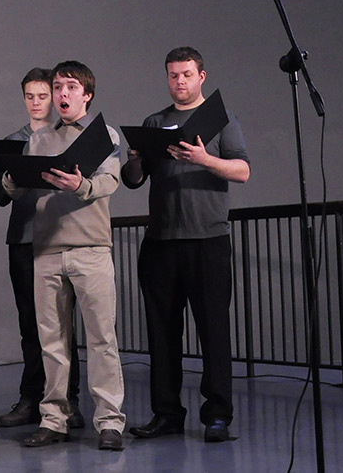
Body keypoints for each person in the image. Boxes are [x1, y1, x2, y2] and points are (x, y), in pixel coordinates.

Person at [121, 46, 250, 443]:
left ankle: (217, 417)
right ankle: (167, 414)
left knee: (213, 332)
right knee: (162, 333)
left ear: (201, 76)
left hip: (208, 240)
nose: (180, 81)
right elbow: (132, 180)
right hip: (161, 241)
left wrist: (203, 158)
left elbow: (242, 171)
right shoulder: (155, 121)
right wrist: (137, 158)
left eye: (187, 74)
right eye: (173, 75)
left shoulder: (221, 119)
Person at [3, 61, 126, 451]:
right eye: (58, 87)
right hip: (47, 252)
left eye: (70, 87)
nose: (62, 94)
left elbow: (110, 180)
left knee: (102, 339)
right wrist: (9, 177)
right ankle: (53, 418)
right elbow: (18, 189)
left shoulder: (102, 133)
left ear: (86, 94)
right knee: (51, 341)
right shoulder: (38, 139)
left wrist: (81, 185)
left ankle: (109, 421)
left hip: (90, 249)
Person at [0, 68, 83, 429]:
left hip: (60, 238)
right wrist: (2, 170)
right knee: (30, 324)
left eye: (43, 95)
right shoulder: (15, 141)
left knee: (62, 325)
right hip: (24, 240)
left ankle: (68, 400)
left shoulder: (68, 137)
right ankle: (31, 397)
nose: (37, 102)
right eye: (30, 96)